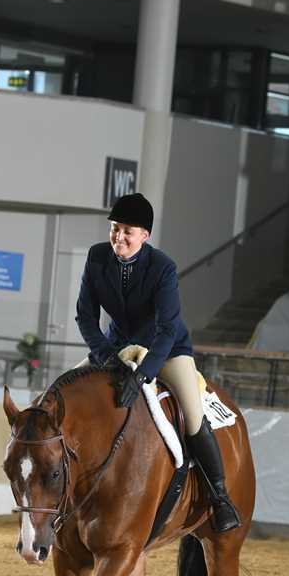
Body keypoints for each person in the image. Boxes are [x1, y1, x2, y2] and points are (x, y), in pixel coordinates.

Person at [75, 191, 241, 532]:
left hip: (165, 351)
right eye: (115, 228)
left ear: (144, 236)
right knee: (66, 391)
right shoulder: (96, 257)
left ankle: (220, 497)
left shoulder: (163, 268)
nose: (119, 236)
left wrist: (144, 375)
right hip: (117, 349)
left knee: (192, 415)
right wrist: (106, 356)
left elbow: (167, 329)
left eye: (128, 231)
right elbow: (85, 317)